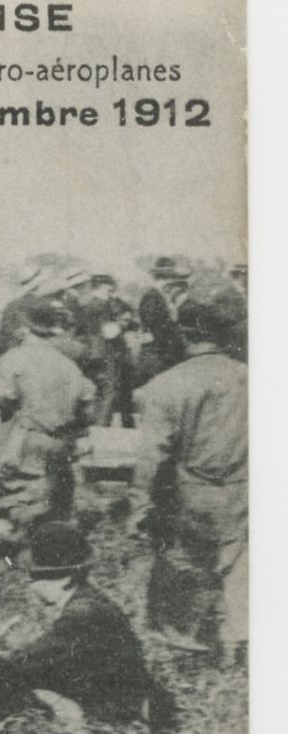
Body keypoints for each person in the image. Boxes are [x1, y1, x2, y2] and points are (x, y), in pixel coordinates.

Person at [0, 523, 176, 734]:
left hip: (121, 713)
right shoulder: (90, 601)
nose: (30, 585)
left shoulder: (82, 615)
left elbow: (28, 662)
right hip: (122, 698)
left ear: (64, 580)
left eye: (35, 577)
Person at [132, 295, 248, 659]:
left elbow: (151, 455)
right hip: (245, 489)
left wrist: (138, 505)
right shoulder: (252, 377)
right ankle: (240, 639)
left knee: (183, 565)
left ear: (184, 334)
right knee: (241, 565)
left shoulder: (167, 384)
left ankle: (183, 641)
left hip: (191, 492)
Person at [0, 301, 96, 550]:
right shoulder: (69, 365)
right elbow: (87, 402)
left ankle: (22, 548)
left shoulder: (15, 359)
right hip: (60, 443)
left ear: (26, 328)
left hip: (25, 441)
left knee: (21, 500)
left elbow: (0, 396)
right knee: (53, 498)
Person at [81, 272, 139, 427]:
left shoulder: (87, 305)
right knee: (109, 391)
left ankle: (93, 424)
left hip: (90, 353)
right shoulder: (103, 306)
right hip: (105, 353)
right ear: (101, 288)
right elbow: (109, 332)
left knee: (98, 391)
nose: (111, 294)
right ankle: (102, 426)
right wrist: (122, 324)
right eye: (109, 290)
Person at [138, 255, 193, 384]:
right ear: (160, 279)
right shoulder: (152, 299)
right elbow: (158, 329)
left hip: (162, 355)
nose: (171, 282)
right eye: (167, 278)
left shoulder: (161, 298)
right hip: (157, 356)